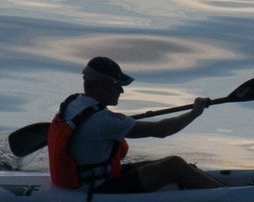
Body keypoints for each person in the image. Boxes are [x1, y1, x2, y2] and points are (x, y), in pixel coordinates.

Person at [13, 56, 225, 192]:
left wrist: (119, 120)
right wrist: (194, 113)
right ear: (99, 85)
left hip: (79, 181)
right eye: (117, 85)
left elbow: (101, 122)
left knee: (178, 165)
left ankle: (214, 186)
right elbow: (161, 131)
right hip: (95, 190)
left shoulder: (73, 103)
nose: (121, 91)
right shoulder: (102, 122)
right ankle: (227, 196)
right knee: (175, 165)